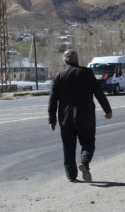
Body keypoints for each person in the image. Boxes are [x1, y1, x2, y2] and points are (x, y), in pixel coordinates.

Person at [48, 49, 113, 183]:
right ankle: (84, 162)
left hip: (65, 119)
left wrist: (52, 119)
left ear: (64, 61)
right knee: (88, 143)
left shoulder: (59, 76)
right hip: (85, 117)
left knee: (68, 148)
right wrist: (107, 110)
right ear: (76, 59)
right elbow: (99, 93)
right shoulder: (86, 73)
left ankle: (71, 176)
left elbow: (53, 100)